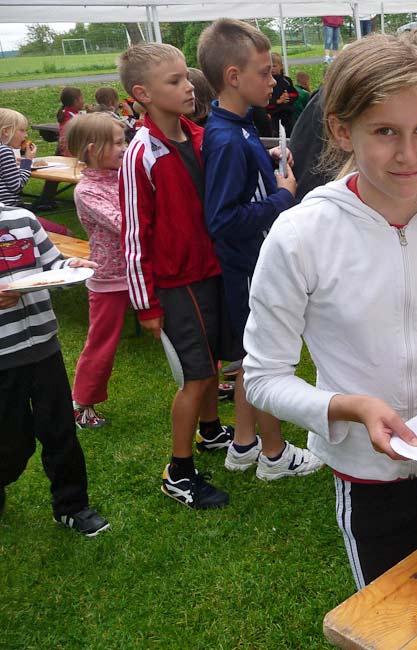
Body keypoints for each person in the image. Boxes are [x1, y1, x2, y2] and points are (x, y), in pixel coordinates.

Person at [242, 33, 417, 589]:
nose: (410, 155)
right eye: (384, 132)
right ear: (340, 130)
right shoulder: (301, 235)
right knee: (392, 616)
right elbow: (263, 377)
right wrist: (347, 407)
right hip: (370, 478)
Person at [197, 18, 323, 481]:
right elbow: (223, 220)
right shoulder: (227, 138)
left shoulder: (239, 127)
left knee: (252, 359)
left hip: (250, 259)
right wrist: (283, 198)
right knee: (265, 359)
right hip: (246, 265)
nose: (273, 81)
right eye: (265, 73)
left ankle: (244, 445)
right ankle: (273, 455)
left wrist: (264, 161)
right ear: (234, 76)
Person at [118, 42, 235, 509]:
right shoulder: (140, 154)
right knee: (196, 375)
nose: (188, 86)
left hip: (211, 269)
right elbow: (133, 235)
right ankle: (178, 472)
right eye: (174, 81)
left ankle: (210, 431)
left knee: (212, 363)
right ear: (143, 94)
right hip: (176, 281)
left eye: (187, 76)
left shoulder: (201, 137)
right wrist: (146, 304)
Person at [0, 203, 108, 536]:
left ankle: (72, 506)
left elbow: (52, 265)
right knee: (12, 443)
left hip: (44, 347)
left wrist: (71, 268)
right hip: (4, 357)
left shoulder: (22, 220)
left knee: (59, 430)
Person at [63, 113, 128, 429]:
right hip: (109, 278)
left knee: (184, 326)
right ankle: (82, 402)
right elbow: (122, 223)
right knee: (103, 342)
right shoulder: (87, 191)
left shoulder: (122, 176)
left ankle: (204, 382)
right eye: (116, 143)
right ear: (92, 150)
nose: (124, 148)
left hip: (143, 270)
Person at [0, 109, 35, 207]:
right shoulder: (4, 151)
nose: (26, 135)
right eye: (22, 130)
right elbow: (16, 186)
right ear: (6, 131)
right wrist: (27, 161)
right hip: (7, 207)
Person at [266, 52, 299, 136]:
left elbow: (295, 94)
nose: (272, 69)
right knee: (275, 135)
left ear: (281, 66)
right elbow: (263, 99)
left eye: (274, 66)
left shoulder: (286, 80)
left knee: (291, 133)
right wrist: (277, 101)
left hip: (287, 113)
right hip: (273, 114)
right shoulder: (266, 81)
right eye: (270, 66)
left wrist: (287, 97)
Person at [56, 86, 84, 155]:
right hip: (70, 152)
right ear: (76, 101)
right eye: (82, 99)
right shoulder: (70, 118)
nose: (83, 101)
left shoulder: (67, 112)